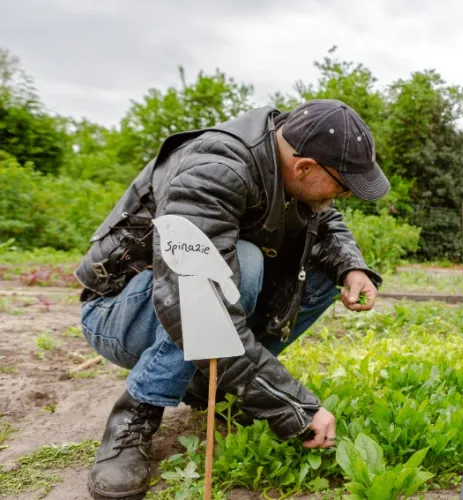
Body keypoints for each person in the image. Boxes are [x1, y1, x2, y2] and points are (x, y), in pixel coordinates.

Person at [74, 99, 389, 499]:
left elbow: (325, 220)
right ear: (304, 167)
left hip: (181, 302)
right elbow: (192, 305)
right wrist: (292, 404)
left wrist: (351, 267)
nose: (344, 195)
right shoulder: (215, 169)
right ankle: (134, 419)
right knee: (244, 263)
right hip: (122, 311)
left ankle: (223, 385)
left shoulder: (284, 162)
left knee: (324, 273)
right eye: (342, 185)